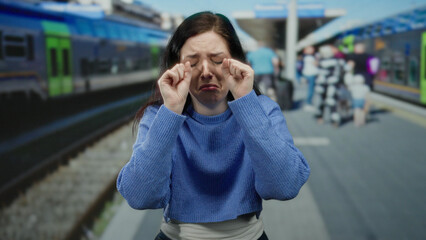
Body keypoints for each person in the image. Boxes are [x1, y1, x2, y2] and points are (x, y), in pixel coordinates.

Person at [116, 12, 310, 240]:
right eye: (192, 62)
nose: (206, 71)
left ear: (237, 61)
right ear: (176, 66)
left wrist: (246, 103)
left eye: (218, 60)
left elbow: (285, 186)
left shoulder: (262, 109)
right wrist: (171, 111)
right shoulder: (158, 115)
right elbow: (140, 197)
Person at [314, 45, 342, 127]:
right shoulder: (334, 60)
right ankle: (324, 117)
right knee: (325, 101)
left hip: (331, 84)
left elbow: (337, 73)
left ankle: (332, 119)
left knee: (330, 101)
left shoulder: (335, 61)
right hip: (324, 84)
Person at [301, 46, 318, 111]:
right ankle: (308, 103)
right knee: (310, 90)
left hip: (307, 74)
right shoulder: (310, 57)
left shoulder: (305, 57)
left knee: (309, 89)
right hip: (311, 74)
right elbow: (316, 64)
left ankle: (308, 103)